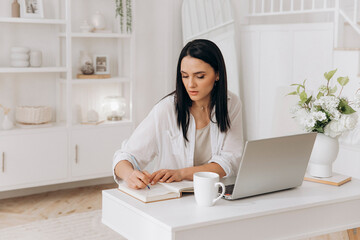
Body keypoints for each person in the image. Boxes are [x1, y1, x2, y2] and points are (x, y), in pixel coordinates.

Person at [113, 39, 244, 189]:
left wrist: (181, 173)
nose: (190, 84)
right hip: (173, 197)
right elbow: (124, 157)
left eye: (199, 76)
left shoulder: (231, 104)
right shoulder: (166, 110)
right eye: (185, 76)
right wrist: (130, 175)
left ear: (217, 75)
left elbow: (230, 161)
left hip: (215, 192)